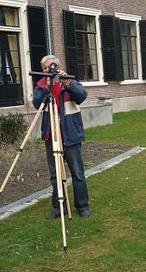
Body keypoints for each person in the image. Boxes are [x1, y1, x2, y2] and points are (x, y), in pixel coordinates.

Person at [32, 55, 90, 219]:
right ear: (43, 70)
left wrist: (67, 83)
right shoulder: (41, 86)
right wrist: (46, 86)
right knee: (55, 174)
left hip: (70, 135)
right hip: (52, 136)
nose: (49, 70)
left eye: (52, 66)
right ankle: (59, 207)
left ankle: (82, 206)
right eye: (46, 68)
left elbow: (82, 96)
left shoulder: (69, 82)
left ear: (58, 66)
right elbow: (37, 103)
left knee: (77, 173)